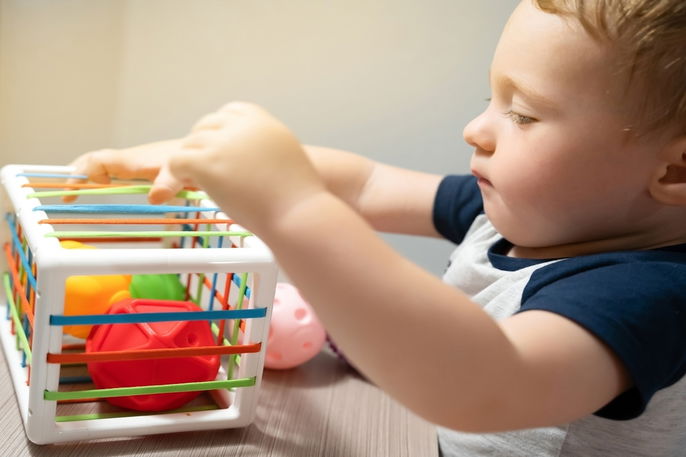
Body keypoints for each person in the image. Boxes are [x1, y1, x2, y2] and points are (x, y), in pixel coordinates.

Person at [66, 0, 686, 455]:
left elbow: (485, 385)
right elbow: (363, 185)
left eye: (522, 114)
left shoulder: (652, 296)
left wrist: (293, 209)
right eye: (489, 98)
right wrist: (199, 159)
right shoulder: (516, 219)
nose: (476, 129)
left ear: (676, 169)